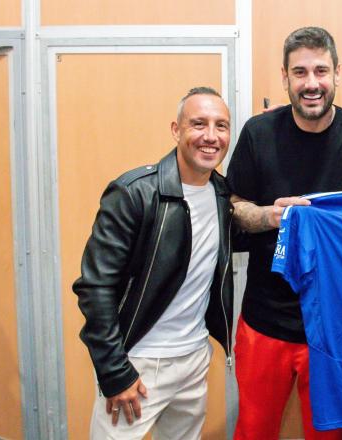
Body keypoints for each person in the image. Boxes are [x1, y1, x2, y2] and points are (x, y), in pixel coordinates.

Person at [226, 26, 342, 439]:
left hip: (337, 327)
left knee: (329, 435)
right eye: (299, 73)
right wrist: (269, 216)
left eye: (321, 70)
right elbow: (232, 206)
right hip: (265, 321)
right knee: (253, 430)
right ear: (284, 78)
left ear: (338, 73)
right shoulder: (258, 133)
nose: (312, 83)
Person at [73, 87, 235, 439]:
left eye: (221, 126)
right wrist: (115, 371)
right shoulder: (134, 193)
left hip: (194, 359)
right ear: (176, 130)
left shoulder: (221, 193)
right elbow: (94, 288)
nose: (211, 136)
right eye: (198, 124)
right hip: (138, 363)